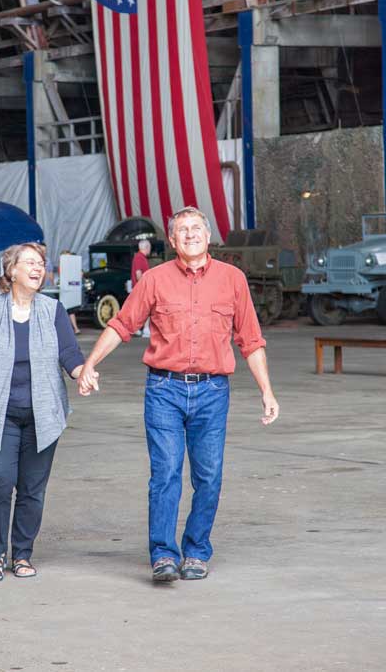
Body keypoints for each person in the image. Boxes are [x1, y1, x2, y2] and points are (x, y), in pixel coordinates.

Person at [77, 206, 279, 584]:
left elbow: (250, 340)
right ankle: (164, 555)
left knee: (209, 476)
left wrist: (266, 391)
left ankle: (197, 551)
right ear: (171, 241)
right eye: (182, 229)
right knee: (166, 474)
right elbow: (122, 325)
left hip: (213, 392)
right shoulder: (153, 280)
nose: (189, 234)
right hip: (163, 390)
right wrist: (90, 364)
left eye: (196, 228)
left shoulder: (233, 280)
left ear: (208, 236)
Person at [0, 242, 84, 582]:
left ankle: (23, 553)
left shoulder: (53, 310)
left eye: (41, 263)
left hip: (43, 413)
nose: (38, 268)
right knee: (0, 482)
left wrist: (82, 374)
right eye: (29, 262)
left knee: (33, 487)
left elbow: (69, 353)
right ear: (11, 271)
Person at [131, 239, 151, 337]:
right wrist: (144, 286)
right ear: (146, 247)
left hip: (139, 288)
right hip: (141, 288)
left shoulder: (139, 257)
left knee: (142, 310)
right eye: (149, 248)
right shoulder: (139, 258)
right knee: (147, 309)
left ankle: (137, 329)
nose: (150, 250)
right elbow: (138, 274)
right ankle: (145, 329)